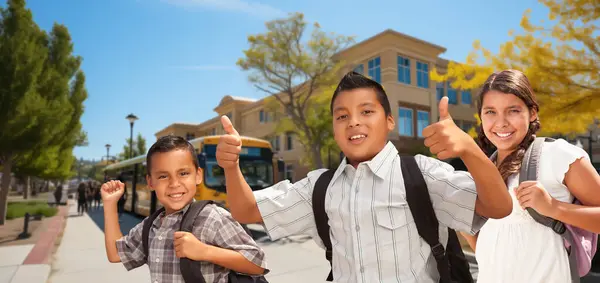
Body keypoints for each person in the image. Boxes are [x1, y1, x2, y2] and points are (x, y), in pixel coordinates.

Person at [216, 71, 512, 282]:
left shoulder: (422, 173)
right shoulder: (319, 187)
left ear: (389, 121)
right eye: (342, 116)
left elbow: (499, 207)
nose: (353, 121)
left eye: (366, 111)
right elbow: (245, 210)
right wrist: (231, 167)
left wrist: (469, 150)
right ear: (334, 127)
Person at [459, 69, 600, 283]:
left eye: (513, 110)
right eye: (490, 112)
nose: (501, 122)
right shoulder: (481, 174)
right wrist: (463, 223)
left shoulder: (558, 156)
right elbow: (491, 250)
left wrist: (553, 207)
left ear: (532, 112)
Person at [100, 135, 267, 283]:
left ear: (198, 176)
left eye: (183, 173)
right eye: (163, 176)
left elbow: (257, 263)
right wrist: (110, 204)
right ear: (151, 182)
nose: (174, 184)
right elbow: (116, 254)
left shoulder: (212, 217)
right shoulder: (150, 226)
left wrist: (205, 251)